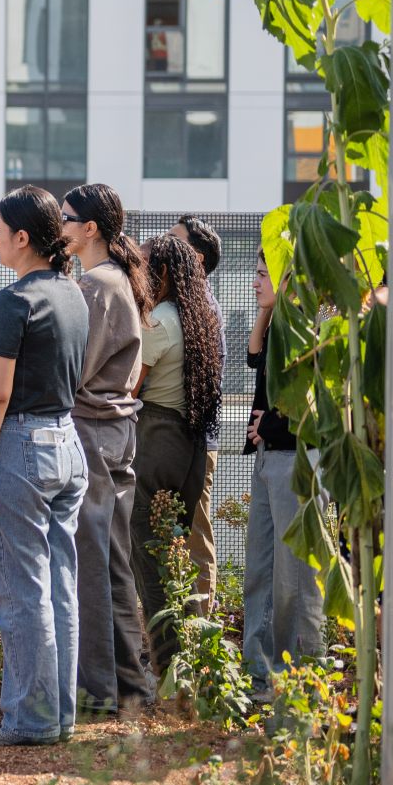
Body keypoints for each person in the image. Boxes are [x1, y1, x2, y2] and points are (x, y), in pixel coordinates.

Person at [0, 186, 89, 747]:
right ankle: (57, 714)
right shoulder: (72, 293)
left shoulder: (13, 300)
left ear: (21, 237)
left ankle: (30, 719)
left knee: (21, 590)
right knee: (60, 585)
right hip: (67, 441)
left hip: (20, 447)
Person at [59, 184, 158, 716]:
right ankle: (127, 685)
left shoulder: (97, 285)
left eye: (68, 218)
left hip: (94, 431)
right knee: (111, 560)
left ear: (91, 228)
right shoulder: (111, 279)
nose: (62, 227)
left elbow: (76, 370)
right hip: (111, 432)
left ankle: (102, 690)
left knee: (95, 562)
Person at [130, 234, 226, 671]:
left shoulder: (162, 320)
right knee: (176, 550)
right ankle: (189, 654)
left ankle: (166, 664)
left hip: (155, 436)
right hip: (188, 440)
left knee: (147, 554)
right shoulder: (199, 314)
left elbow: (131, 384)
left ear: (164, 272)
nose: (142, 272)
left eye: (148, 266)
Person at [242, 253, 324, 684]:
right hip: (270, 457)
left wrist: (267, 423)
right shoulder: (278, 325)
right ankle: (259, 673)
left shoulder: (306, 327)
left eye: (262, 275)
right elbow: (254, 358)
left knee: (293, 577)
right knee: (261, 570)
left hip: (295, 460)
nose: (256, 283)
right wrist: (264, 312)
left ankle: (299, 674)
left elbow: (313, 406)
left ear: (288, 277)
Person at [170, 216, 227, 612]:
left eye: (175, 242)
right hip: (182, 438)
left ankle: (201, 621)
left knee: (196, 531)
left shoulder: (202, 307)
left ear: (197, 256)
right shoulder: (182, 304)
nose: (164, 249)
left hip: (196, 439)